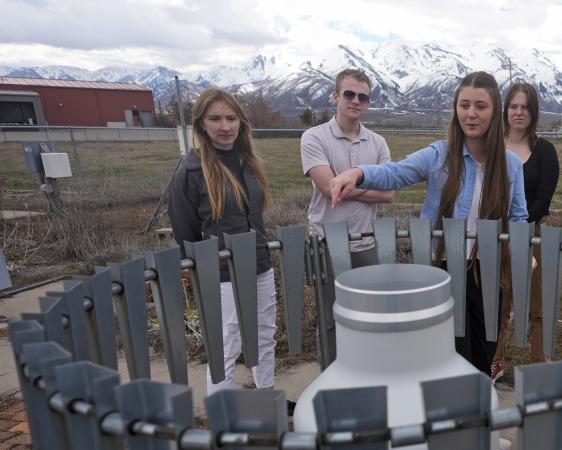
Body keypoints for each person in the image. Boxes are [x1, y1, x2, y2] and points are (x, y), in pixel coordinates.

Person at [330, 71, 527, 450]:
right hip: (442, 270)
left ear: (494, 110)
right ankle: (453, 429)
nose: (471, 113)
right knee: (452, 351)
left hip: (487, 271)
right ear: (456, 109)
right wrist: (358, 172)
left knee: (484, 353)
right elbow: (394, 173)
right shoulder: (439, 155)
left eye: (481, 106)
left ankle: (478, 428)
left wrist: (524, 255)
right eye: (464, 104)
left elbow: (518, 216)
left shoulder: (510, 165)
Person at [167, 87, 282, 400]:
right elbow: (185, 230)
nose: (225, 126)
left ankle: (266, 396)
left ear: (241, 123)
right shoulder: (190, 170)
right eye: (215, 118)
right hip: (219, 272)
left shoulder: (248, 163)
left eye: (231, 118)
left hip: (259, 265)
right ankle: (224, 413)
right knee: (226, 343)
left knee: (263, 335)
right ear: (202, 124)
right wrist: (200, 268)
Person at [301, 69, 393, 358]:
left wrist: (344, 184)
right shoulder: (314, 137)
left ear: (368, 103)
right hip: (327, 243)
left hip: (366, 242)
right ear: (335, 96)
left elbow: (389, 193)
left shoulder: (377, 143)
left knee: (367, 315)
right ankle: (331, 376)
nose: (356, 101)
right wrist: (365, 188)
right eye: (349, 94)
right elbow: (329, 190)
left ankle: (364, 372)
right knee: (330, 318)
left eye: (362, 97)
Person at [490, 82, 560, 381]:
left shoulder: (544, 151)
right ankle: (495, 361)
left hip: (534, 232)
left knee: (537, 303)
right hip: (496, 235)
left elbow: (543, 198)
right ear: (505, 110)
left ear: (534, 113)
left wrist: (518, 228)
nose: (519, 113)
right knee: (499, 302)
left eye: (525, 107)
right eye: (514, 106)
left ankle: (539, 364)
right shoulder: (493, 146)